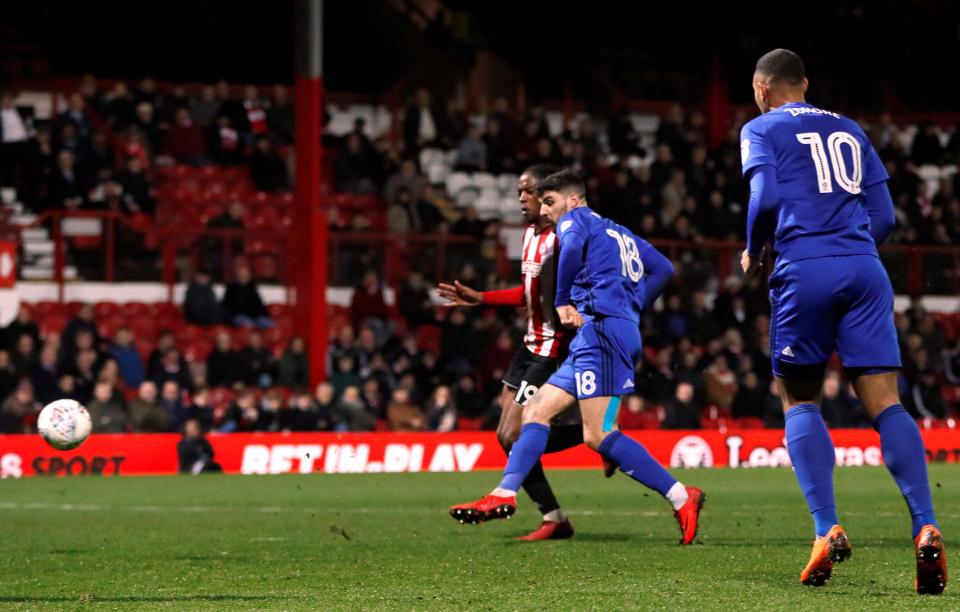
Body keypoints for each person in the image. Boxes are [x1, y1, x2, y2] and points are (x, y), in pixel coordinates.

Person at [739, 49, 945, 592]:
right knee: (887, 402)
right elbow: (886, 216)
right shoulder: (850, 129)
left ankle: (825, 527)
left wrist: (756, 246)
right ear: (803, 83)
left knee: (799, 399)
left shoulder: (761, 128)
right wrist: (849, 248)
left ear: (762, 89)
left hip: (804, 269)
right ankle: (925, 525)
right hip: (865, 268)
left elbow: (764, 193)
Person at [449, 170, 704, 546]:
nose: (546, 209)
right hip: (599, 332)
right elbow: (664, 268)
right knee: (535, 411)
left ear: (573, 199)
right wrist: (633, 306)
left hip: (601, 333)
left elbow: (568, 250)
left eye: (549, 201)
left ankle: (683, 496)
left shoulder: (575, 221)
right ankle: (504, 493)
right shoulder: (617, 230)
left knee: (598, 435)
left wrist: (563, 299)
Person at [438, 165, 585, 540]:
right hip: (528, 346)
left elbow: (570, 296)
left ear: (548, 196)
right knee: (506, 437)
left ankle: (591, 438)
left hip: (550, 351)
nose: (521, 199)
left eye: (528, 192)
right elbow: (529, 294)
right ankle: (555, 514)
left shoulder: (563, 239)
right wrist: (481, 298)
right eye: (519, 192)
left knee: (513, 434)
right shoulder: (529, 236)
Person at [221, 264, 274, 328]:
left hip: (255, 316)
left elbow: (259, 304)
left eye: (246, 274)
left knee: (270, 324)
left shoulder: (252, 287)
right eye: (242, 274)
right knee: (248, 324)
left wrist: (264, 315)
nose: (244, 276)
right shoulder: (231, 288)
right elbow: (227, 305)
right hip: (238, 316)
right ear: (238, 275)